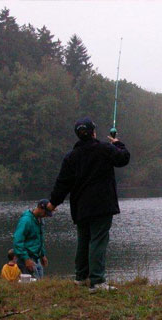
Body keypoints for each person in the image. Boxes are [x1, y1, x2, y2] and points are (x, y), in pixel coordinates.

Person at [47, 117, 130, 293]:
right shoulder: (105, 149)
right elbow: (123, 158)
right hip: (102, 205)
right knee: (98, 241)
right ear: (93, 132)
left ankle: (81, 277)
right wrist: (118, 143)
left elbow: (62, 183)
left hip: (81, 207)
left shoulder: (71, 157)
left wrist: (53, 203)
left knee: (84, 241)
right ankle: (97, 281)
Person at [13, 199, 51, 279]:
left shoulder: (39, 220)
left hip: (36, 258)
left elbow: (38, 239)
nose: (46, 215)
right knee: (32, 284)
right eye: (45, 213)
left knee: (40, 282)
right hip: (26, 258)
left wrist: (42, 255)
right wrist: (26, 259)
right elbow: (17, 241)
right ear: (40, 208)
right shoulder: (26, 220)